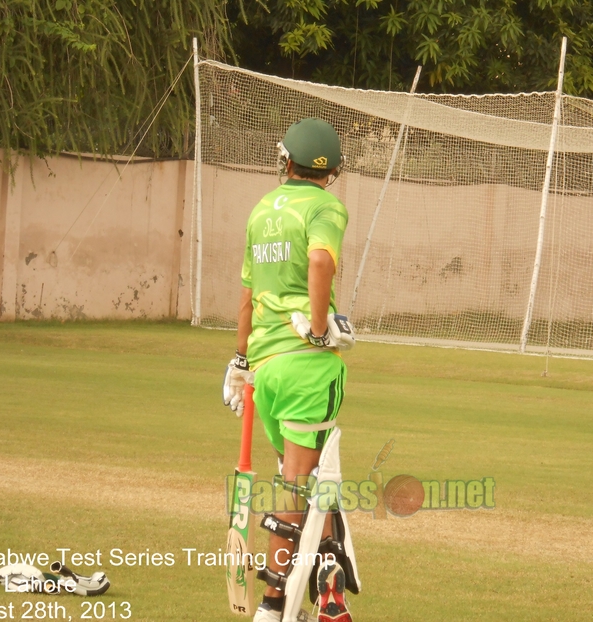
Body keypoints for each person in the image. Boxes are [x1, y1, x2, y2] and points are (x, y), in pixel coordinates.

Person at [223, 118, 355, 622]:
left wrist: (240, 359)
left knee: (305, 480)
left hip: (266, 365)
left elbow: (247, 293)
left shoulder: (263, 209)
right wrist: (321, 327)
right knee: (299, 485)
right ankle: (274, 603)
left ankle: (325, 587)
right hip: (306, 367)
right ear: (332, 170)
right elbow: (321, 261)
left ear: (287, 161)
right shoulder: (325, 206)